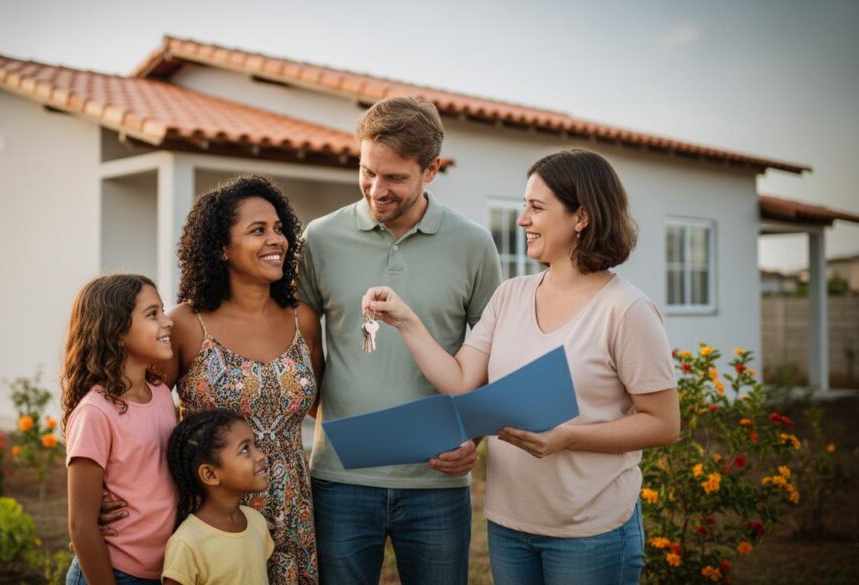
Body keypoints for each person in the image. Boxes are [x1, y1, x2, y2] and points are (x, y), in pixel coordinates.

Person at [362, 148, 681, 585]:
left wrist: (568, 437)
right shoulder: (511, 295)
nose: (521, 220)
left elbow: (664, 424)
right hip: (510, 525)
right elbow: (459, 381)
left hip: (590, 530)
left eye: (536, 207)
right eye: (523, 206)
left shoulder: (626, 310)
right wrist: (406, 320)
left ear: (581, 217)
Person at [296, 95, 503, 585]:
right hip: (340, 479)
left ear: (430, 170)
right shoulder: (319, 240)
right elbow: (307, 357)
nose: (376, 189)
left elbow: (494, 353)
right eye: (367, 171)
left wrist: (472, 436)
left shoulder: (473, 245)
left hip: (437, 483)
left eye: (394, 178)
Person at [102, 176, 323, 585]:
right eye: (258, 231)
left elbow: (321, 405)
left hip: (294, 512)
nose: (276, 240)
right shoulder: (187, 324)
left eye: (279, 229)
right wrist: (105, 484)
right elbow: (136, 408)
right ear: (221, 248)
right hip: (214, 516)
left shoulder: (303, 319)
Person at [62, 273, 178, 585]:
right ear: (117, 333)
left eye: (163, 310)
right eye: (152, 314)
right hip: (114, 573)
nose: (167, 322)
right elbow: (81, 524)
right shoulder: (95, 413)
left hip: (161, 570)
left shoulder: (163, 394)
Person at [162, 409, 275, 585]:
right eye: (245, 449)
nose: (261, 455)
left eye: (254, 445)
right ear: (210, 474)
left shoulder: (256, 522)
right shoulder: (187, 543)